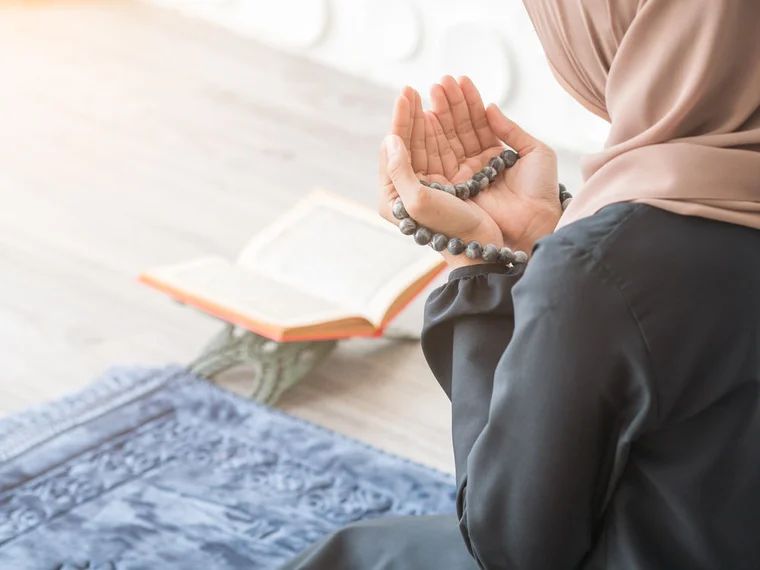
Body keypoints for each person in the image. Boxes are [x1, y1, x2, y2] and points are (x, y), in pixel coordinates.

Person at [280, 0, 760, 568]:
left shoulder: (606, 272)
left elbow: (511, 546)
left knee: (349, 556)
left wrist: (480, 268)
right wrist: (540, 241)